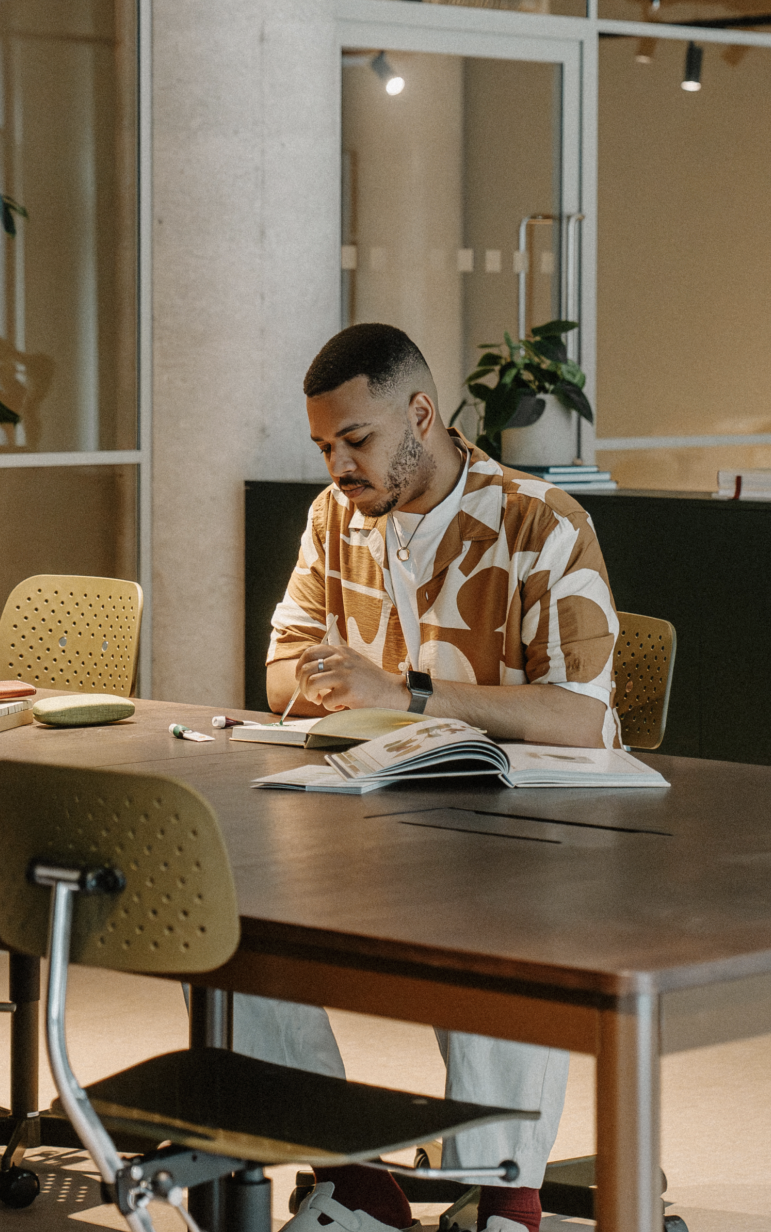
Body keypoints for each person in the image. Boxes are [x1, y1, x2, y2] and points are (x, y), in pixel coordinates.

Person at [255, 323, 620, 1232]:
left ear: (421, 415)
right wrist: (342, 689)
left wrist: (406, 693)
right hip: (372, 813)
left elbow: (581, 715)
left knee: (502, 907)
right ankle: (351, 1177)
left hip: (519, 826)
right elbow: (281, 673)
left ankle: (505, 1196)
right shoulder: (335, 518)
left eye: (356, 440)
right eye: (324, 447)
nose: (338, 467)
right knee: (225, 914)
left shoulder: (541, 521)